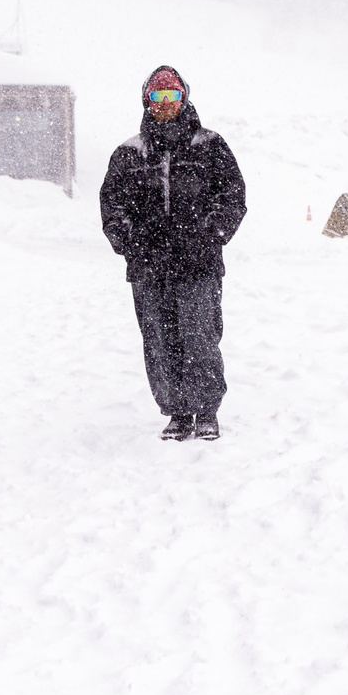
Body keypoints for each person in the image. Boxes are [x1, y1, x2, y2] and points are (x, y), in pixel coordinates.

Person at [100, 65, 247, 441]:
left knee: (200, 336)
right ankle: (178, 412)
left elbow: (232, 196)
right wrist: (131, 245)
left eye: (172, 96)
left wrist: (211, 234)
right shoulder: (129, 154)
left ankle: (207, 411)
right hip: (150, 269)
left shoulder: (210, 146)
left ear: (184, 99)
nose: (165, 104)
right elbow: (112, 207)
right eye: (157, 97)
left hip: (199, 266)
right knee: (161, 340)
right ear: (147, 101)